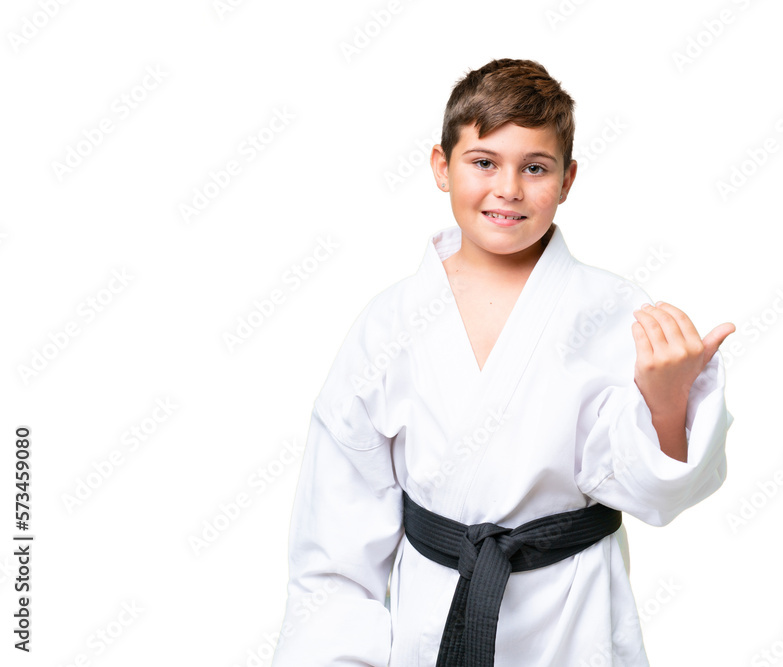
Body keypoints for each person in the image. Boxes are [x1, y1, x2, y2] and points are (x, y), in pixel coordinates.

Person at [271, 58, 735, 667]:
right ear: (442, 166)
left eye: (535, 167)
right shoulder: (389, 323)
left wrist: (666, 399)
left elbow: (658, 497)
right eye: (484, 162)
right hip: (432, 617)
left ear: (567, 180)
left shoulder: (616, 312)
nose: (508, 188)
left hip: (575, 620)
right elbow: (336, 541)